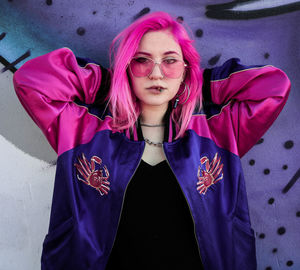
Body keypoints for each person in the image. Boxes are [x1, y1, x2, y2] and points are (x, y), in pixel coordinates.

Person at [13, 11, 290, 270]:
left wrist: (195, 82)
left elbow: (273, 86)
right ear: (127, 68)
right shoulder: (82, 128)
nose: (156, 73)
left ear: (185, 68)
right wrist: (113, 82)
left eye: (170, 61)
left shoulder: (218, 130)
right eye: (141, 61)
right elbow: (33, 81)